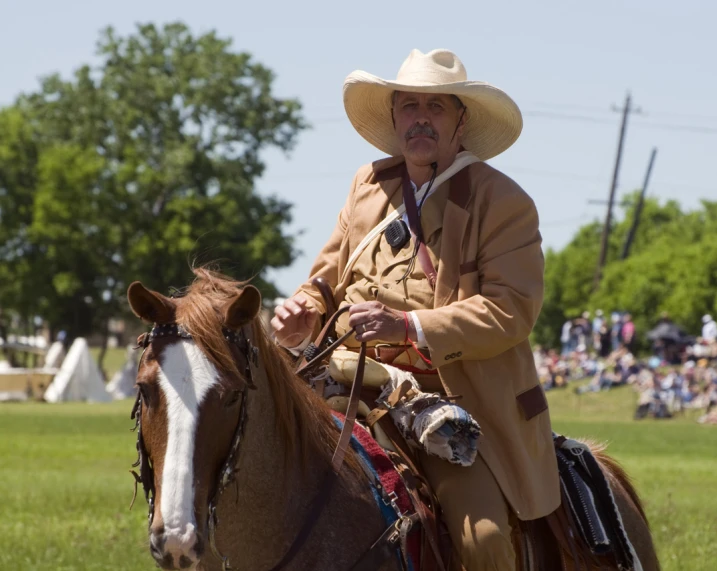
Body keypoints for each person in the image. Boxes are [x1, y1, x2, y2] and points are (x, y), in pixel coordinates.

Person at [271, 49, 558, 570]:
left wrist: (407, 325)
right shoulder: (367, 186)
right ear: (395, 118)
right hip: (340, 380)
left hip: (448, 401)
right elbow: (325, 279)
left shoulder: (504, 202)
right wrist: (304, 312)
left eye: (436, 107)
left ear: (461, 120)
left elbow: (510, 310)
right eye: (408, 106)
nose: (420, 117)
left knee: (485, 539)